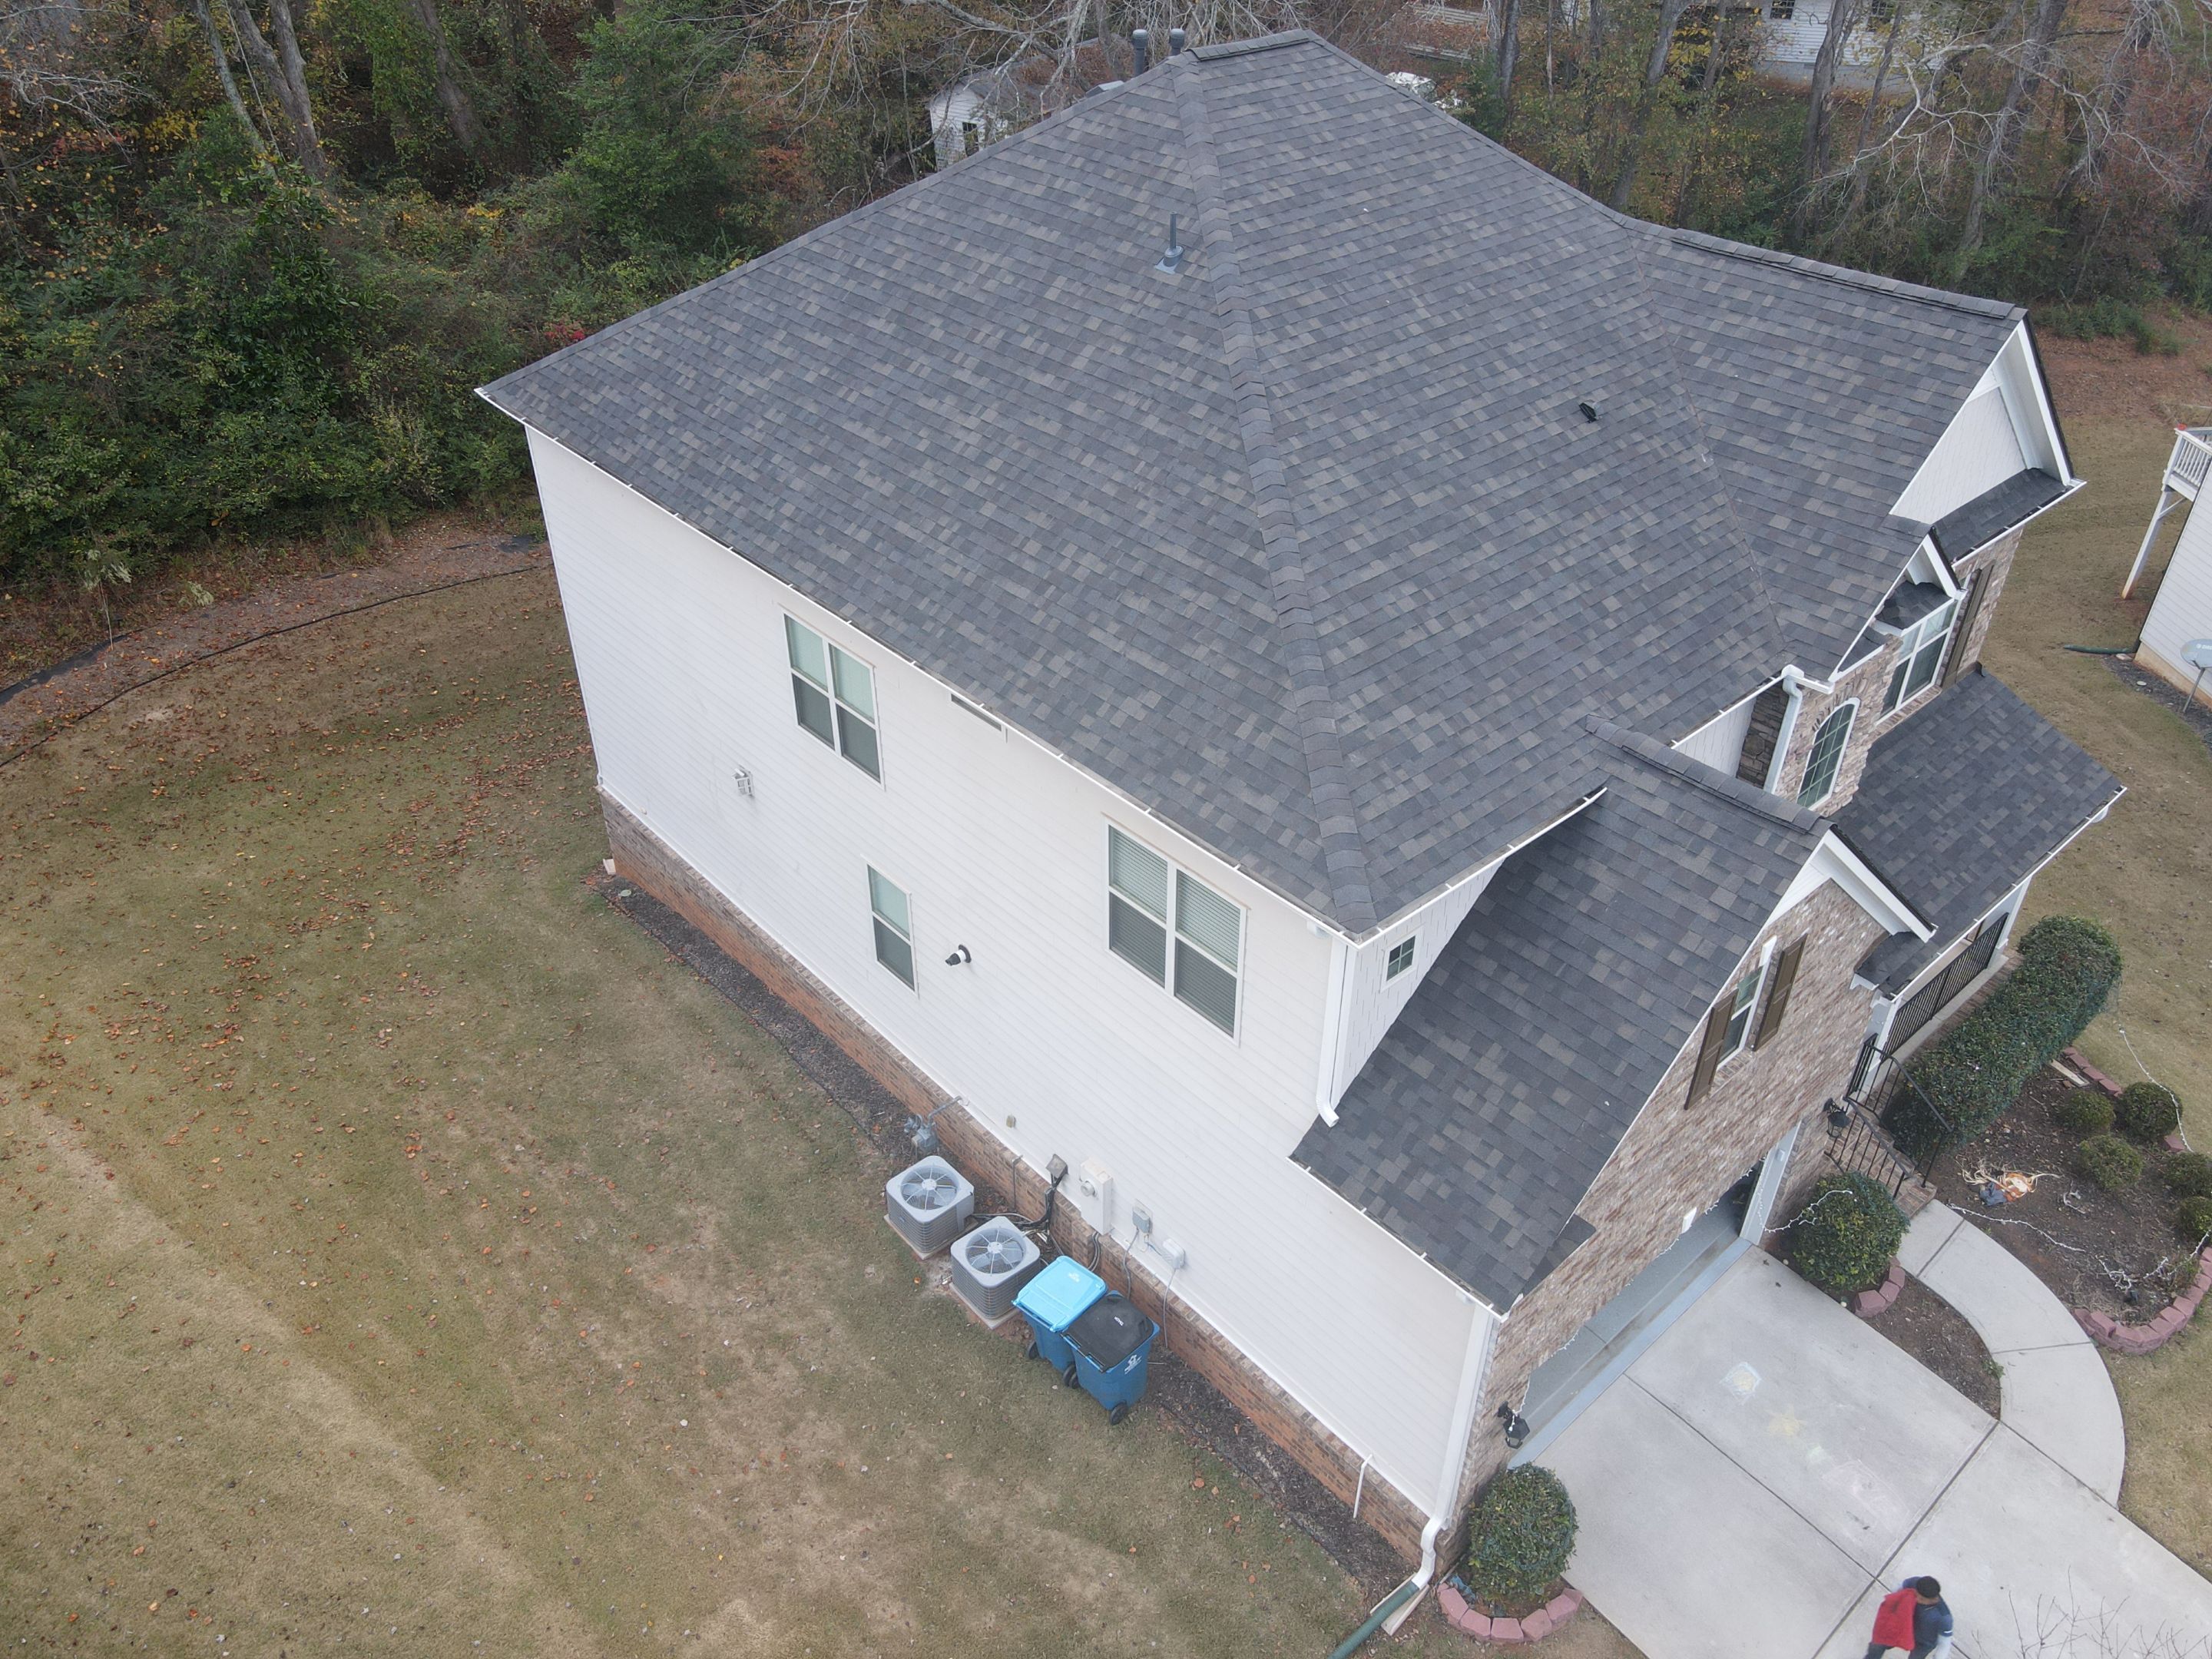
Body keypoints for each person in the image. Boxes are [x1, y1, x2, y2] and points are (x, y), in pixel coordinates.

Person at [1865, 1576, 1953, 1659]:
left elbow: (1944, 1644)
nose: (1917, 1599)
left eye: (1922, 1599)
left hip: (1923, 1643)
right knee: (1878, 1644)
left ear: (1935, 1600)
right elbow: (1897, 1590)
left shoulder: (1944, 1618)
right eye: (1916, 1595)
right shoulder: (1915, 1583)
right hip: (1902, 1627)